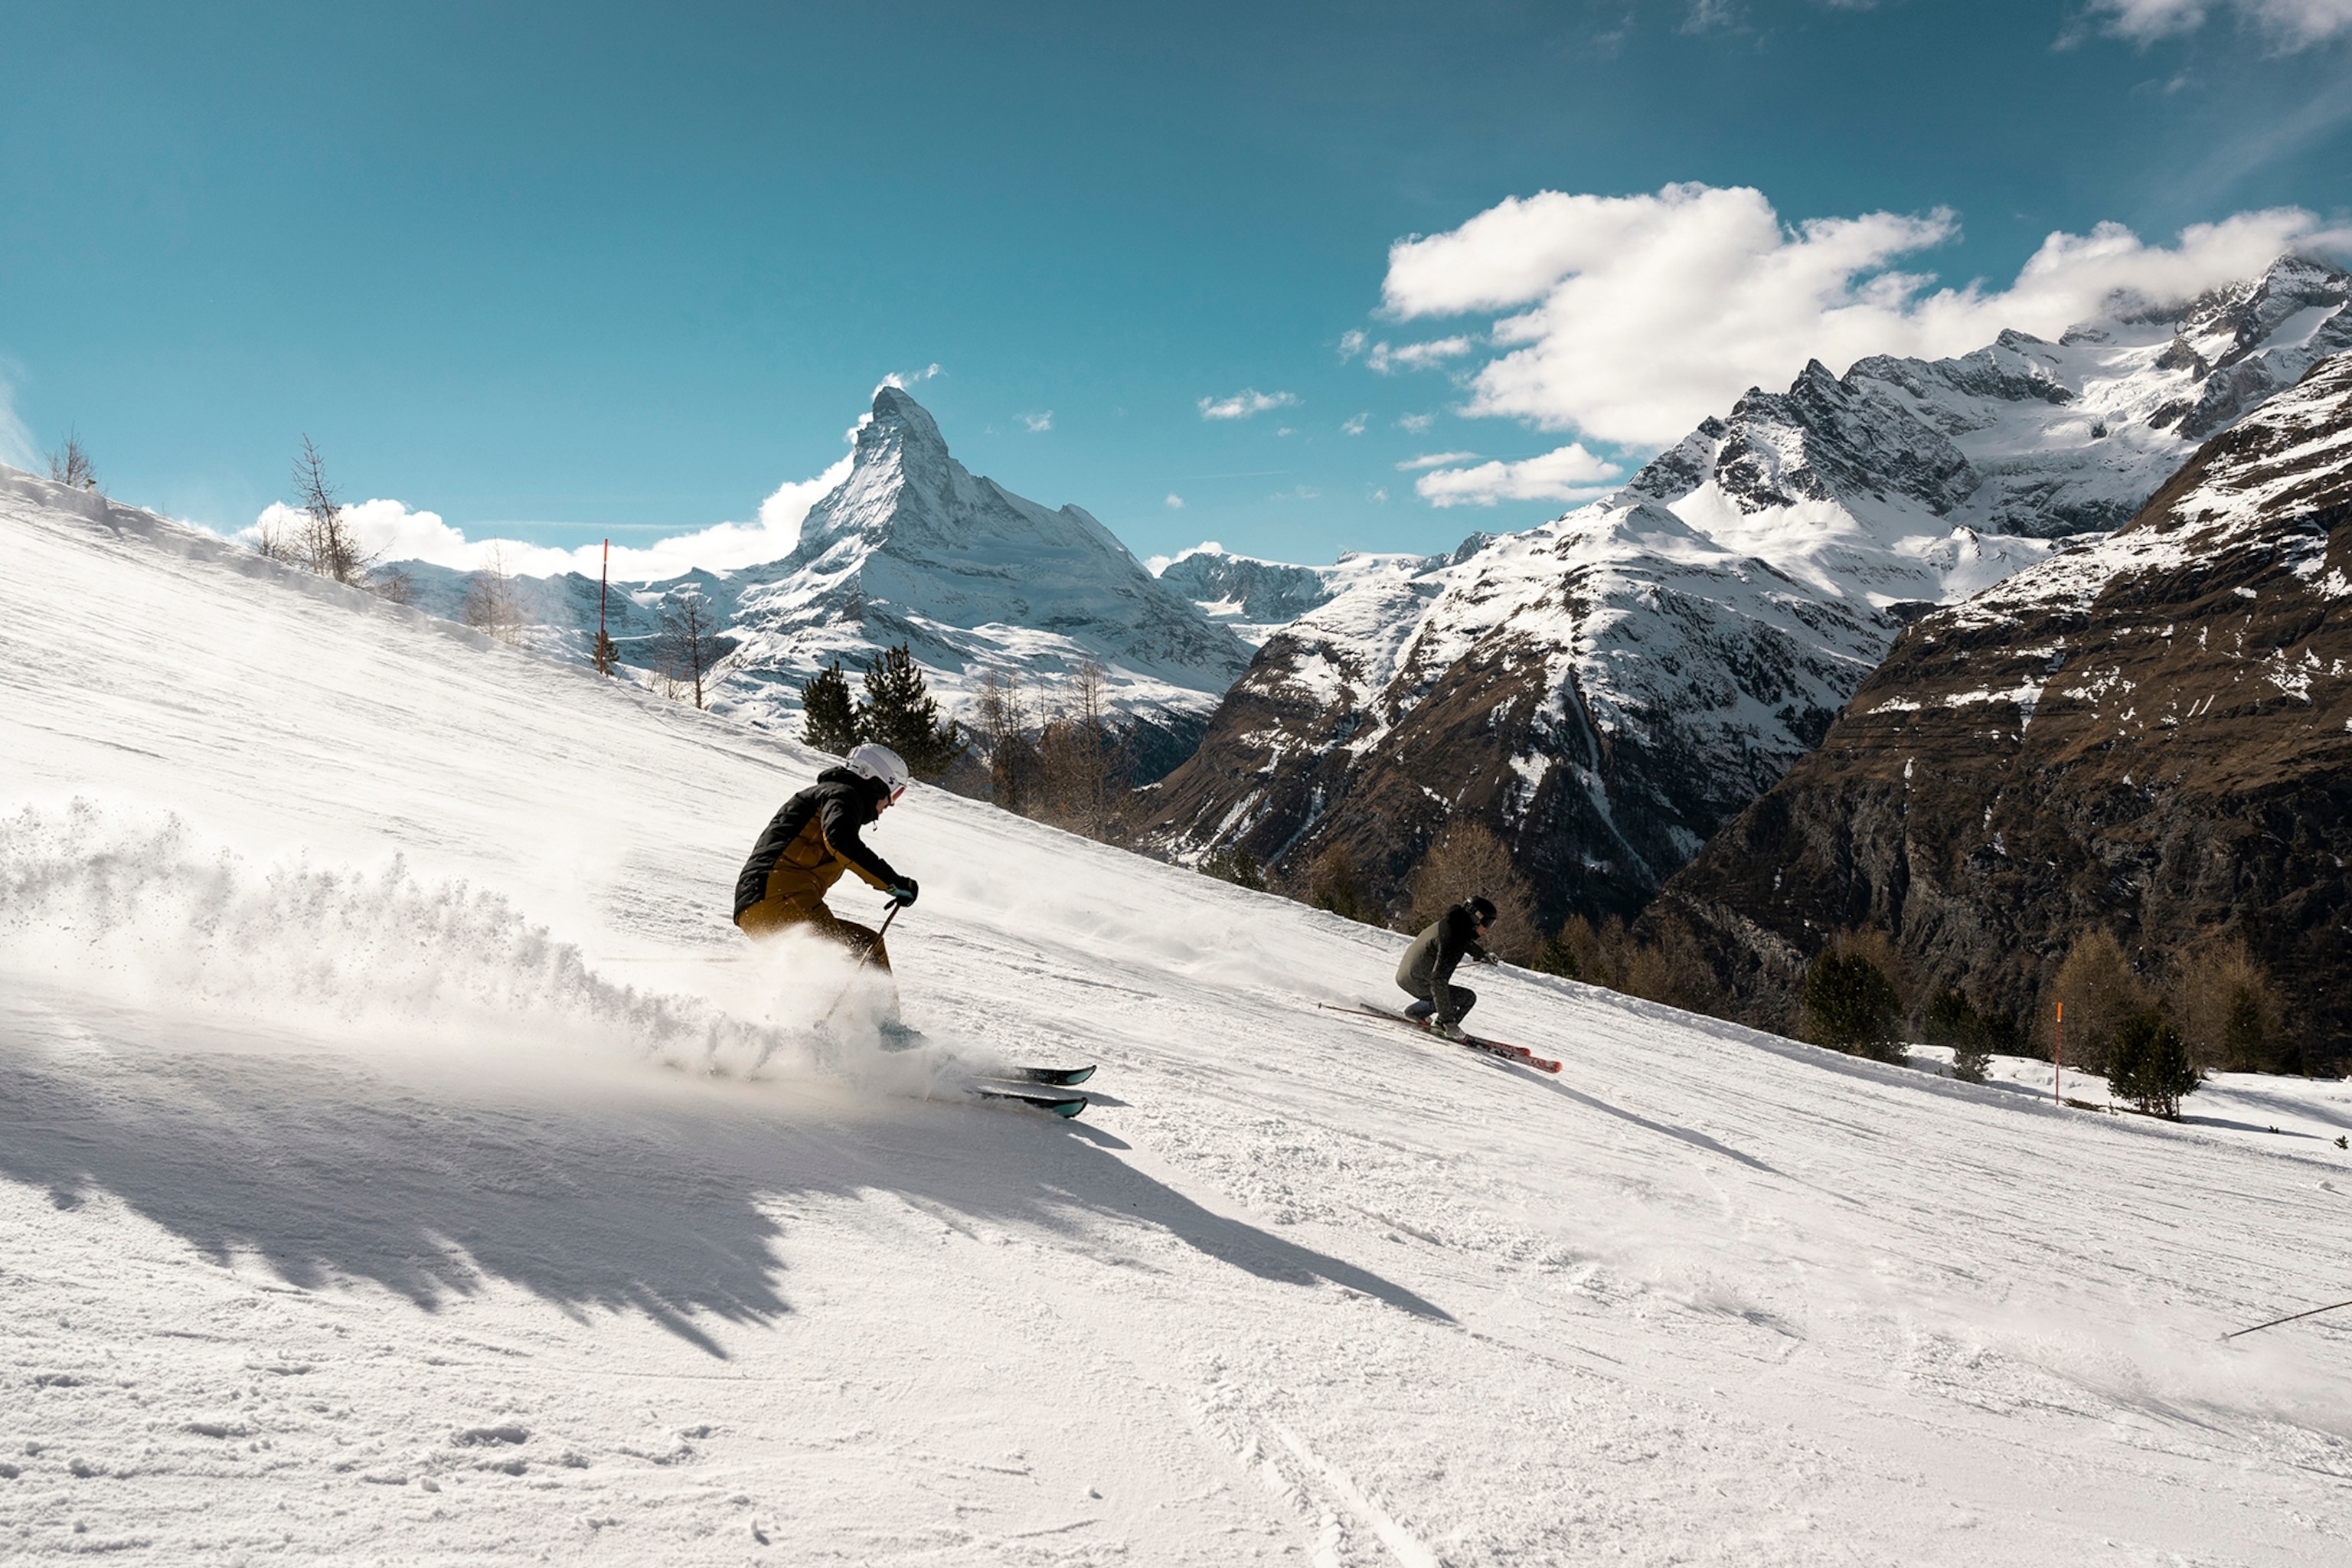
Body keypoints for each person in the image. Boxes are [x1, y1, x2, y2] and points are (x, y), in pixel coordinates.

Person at [733, 743, 920, 972]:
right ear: (877, 782)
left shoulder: (832, 797)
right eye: (896, 792)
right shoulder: (842, 795)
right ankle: (863, 1008)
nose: (891, 803)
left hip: (766, 904)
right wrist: (893, 883)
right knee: (844, 961)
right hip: (779, 898)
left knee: (867, 947)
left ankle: (870, 1009)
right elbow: (841, 842)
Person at [1396, 895, 1499, 1040]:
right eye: (1487, 923)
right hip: (1417, 981)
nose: (1487, 930)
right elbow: (1438, 981)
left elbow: (1464, 941)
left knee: (1447, 994)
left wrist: (1481, 954)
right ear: (1476, 918)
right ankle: (1442, 1026)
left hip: (1406, 975)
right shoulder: (1453, 940)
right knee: (1466, 998)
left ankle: (1417, 1012)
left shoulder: (1452, 924)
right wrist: (1449, 1022)